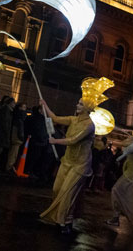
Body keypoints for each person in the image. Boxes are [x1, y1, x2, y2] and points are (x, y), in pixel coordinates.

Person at [39, 98, 95, 234]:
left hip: (80, 164)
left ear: (87, 108)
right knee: (57, 189)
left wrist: (55, 141)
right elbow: (55, 118)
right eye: (78, 102)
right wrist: (45, 105)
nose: (77, 105)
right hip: (68, 160)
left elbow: (74, 140)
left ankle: (64, 222)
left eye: (81, 104)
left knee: (67, 193)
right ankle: (61, 217)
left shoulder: (90, 125)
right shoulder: (73, 119)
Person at [6, 102, 27, 173]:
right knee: (13, 153)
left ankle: (10, 166)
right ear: (20, 107)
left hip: (15, 137)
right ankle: (9, 167)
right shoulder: (20, 117)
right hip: (17, 138)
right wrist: (21, 137)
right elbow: (19, 128)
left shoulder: (16, 115)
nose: (25, 109)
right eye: (24, 107)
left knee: (12, 153)